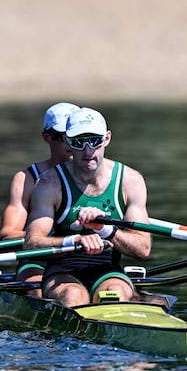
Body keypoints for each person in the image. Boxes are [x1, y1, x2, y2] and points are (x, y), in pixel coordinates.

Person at [24, 107, 151, 307]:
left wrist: (105, 229)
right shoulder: (49, 184)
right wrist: (74, 240)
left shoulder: (130, 181)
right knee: (73, 296)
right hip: (62, 272)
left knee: (116, 293)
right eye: (79, 142)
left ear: (107, 138)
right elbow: (32, 243)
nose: (88, 151)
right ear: (67, 142)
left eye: (95, 141)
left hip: (108, 270)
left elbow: (143, 249)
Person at [0, 102, 79, 296]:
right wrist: (53, 242)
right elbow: (7, 234)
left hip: (83, 257)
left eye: (75, 136)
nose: (69, 144)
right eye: (62, 137)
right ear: (46, 137)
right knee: (39, 291)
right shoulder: (26, 180)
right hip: (38, 259)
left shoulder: (99, 178)